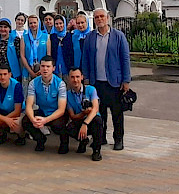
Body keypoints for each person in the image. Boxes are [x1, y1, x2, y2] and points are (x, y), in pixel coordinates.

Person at [82, 8, 131, 151]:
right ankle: (100, 137)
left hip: (114, 82)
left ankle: (118, 139)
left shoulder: (118, 36)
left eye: (102, 16)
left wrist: (126, 80)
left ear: (108, 18)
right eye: (96, 17)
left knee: (116, 113)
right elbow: (85, 58)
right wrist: (86, 78)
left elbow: (125, 58)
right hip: (96, 82)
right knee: (99, 112)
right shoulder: (90, 37)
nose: (99, 19)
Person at [21, 55, 67, 153]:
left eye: (48, 66)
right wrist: (33, 120)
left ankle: (64, 143)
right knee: (26, 120)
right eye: (43, 66)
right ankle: (40, 139)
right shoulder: (33, 83)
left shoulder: (60, 84)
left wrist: (45, 121)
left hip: (56, 113)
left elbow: (61, 109)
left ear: (53, 68)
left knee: (58, 125)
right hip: (43, 111)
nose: (45, 69)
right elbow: (29, 105)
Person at [63, 67, 103, 161]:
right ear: (69, 78)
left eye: (77, 77)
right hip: (79, 119)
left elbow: (95, 109)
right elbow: (72, 116)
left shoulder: (91, 89)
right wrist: (83, 113)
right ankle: (83, 140)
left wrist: (85, 123)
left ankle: (96, 150)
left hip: (91, 119)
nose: (75, 80)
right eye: (72, 77)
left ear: (82, 77)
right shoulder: (67, 94)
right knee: (69, 128)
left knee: (98, 121)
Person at [19, 15, 50, 90]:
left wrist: (41, 69)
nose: (33, 25)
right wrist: (30, 71)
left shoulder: (46, 37)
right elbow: (22, 55)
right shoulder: (24, 37)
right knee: (27, 93)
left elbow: (48, 54)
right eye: (31, 23)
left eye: (35, 23)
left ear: (38, 23)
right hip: (28, 70)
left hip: (42, 70)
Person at [50, 14, 74, 82]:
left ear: (64, 24)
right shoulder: (52, 37)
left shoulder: (70, 36)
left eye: (61, 23)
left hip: (67, 67)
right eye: (56, 24)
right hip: (55, 68)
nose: (59, 26)